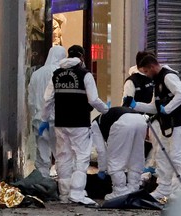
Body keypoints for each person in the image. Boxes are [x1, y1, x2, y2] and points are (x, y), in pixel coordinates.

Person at [40, 45, 109, 205]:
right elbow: (93, 100)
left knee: (63, 156)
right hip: (79, 123)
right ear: (82, 57)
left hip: (61, 123)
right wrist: (106, 110)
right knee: (81, 156)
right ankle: (77, 193)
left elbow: (47, 99)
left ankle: (64, 194)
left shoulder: (56, 74)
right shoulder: (85, 75)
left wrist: (44, 119)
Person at [129, 55, 181, 200]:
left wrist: (169, 108)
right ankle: (163, 188)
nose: (146, 75)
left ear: (152, 67)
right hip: (166, 125)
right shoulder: (157, 80)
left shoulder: (168, 77)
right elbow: (155, 107)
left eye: (146, 71)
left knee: (179, 158)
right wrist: (136, 105)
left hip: (179, 124)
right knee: (162, 155)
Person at [91, 107, 147, 200]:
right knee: (136, 157)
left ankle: (120, 191)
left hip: (123, 122)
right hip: (141, 120)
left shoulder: (94, 125)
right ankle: (133, 189)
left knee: (115, 160)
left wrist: (102, 169)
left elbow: (101, 151)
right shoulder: (104, 118)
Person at [28, 45, 66, 178]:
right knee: (61, 152)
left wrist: (34, 115)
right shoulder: (61, 73)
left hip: (39, 119)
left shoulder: (36, 74)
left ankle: (42, 182)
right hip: (56, 119)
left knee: (42, 152)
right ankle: (64, 184)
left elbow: (31, 99)